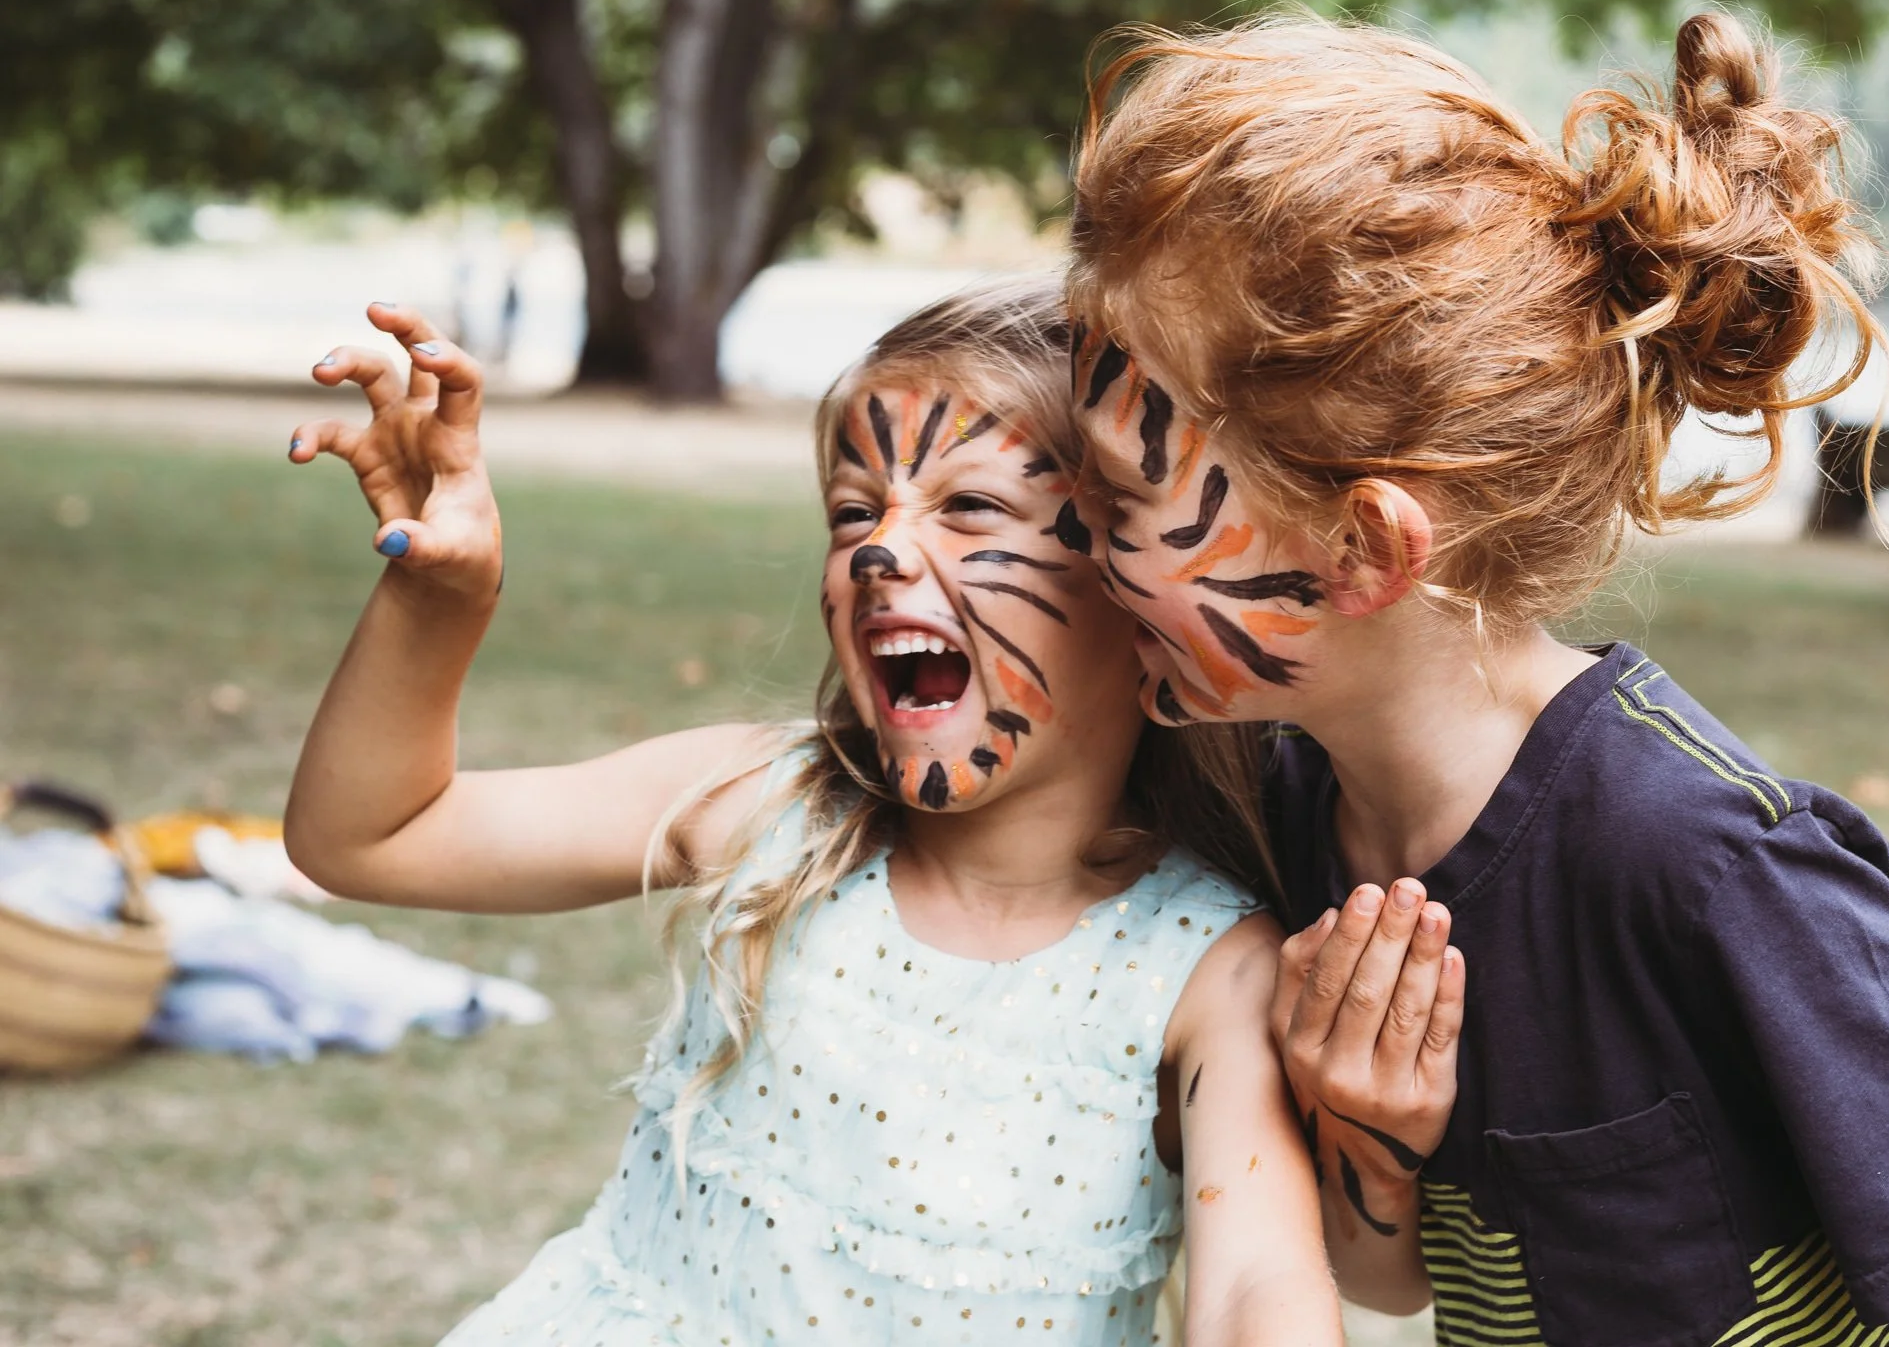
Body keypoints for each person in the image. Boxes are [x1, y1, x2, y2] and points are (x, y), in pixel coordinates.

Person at [1059, 11, 1889, 1345]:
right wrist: (1373, 1148)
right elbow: (1394, 1282)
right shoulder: (1310, 807)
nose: (1072, 538)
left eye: (1118, 490)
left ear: (1365, 548)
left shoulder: (1709, 863)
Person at [280, 283, 1348, 1347]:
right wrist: (439, 600)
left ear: (1135, 579)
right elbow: (369, 834)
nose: (881, 554)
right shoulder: (764, 805)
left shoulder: (1208, 973)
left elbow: (1259, 1287)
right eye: (853, 511)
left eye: (969, 507)